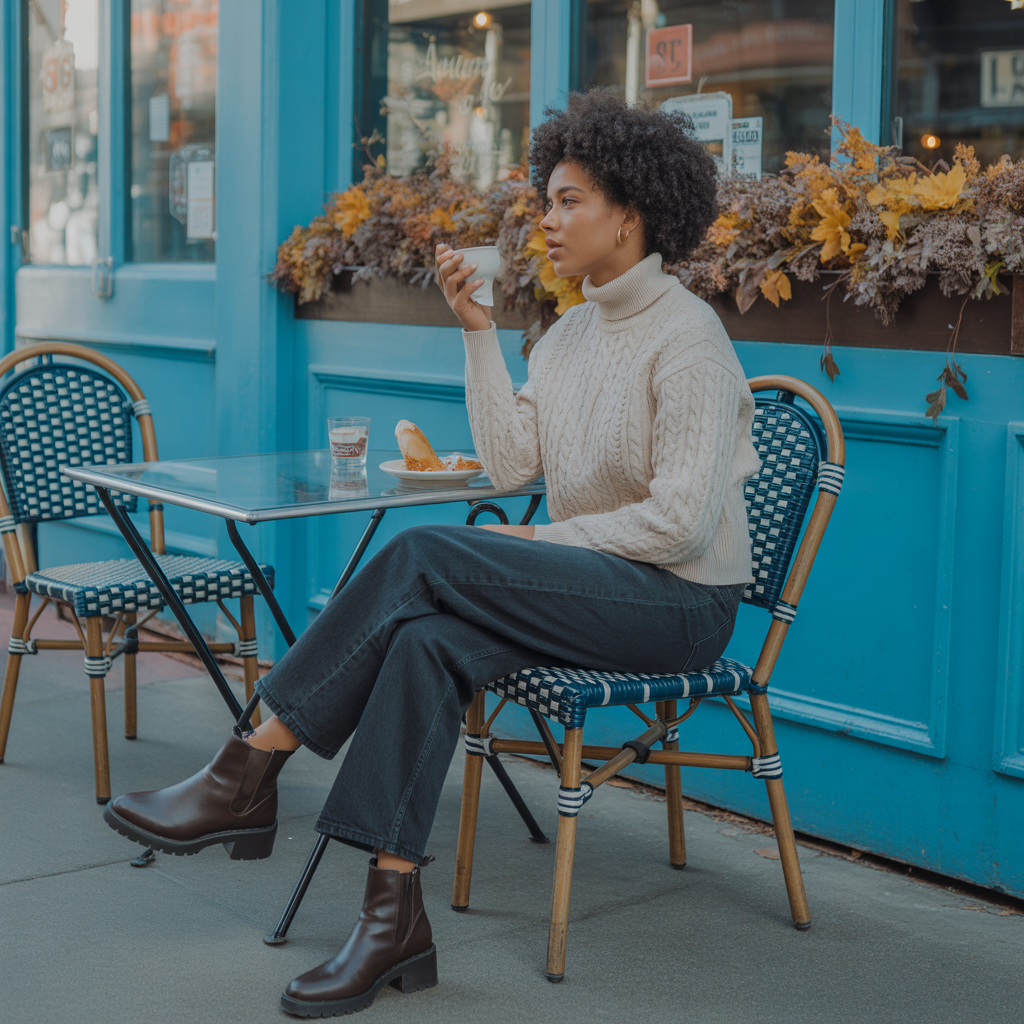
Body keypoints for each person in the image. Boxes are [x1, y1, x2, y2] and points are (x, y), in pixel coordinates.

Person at [102, 89, 761, 1018]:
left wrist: (542, 537)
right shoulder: (572, 333)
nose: (548, 219)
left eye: (570, 200)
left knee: (422, 557)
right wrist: (479, 333)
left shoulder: (689, 339)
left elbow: (682, 525)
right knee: (426, 641)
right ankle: (391, 914)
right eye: (548, 199)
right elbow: (511, 464)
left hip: (679, 604)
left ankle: (246, 769)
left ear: (634, 213)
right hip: (588, 586)